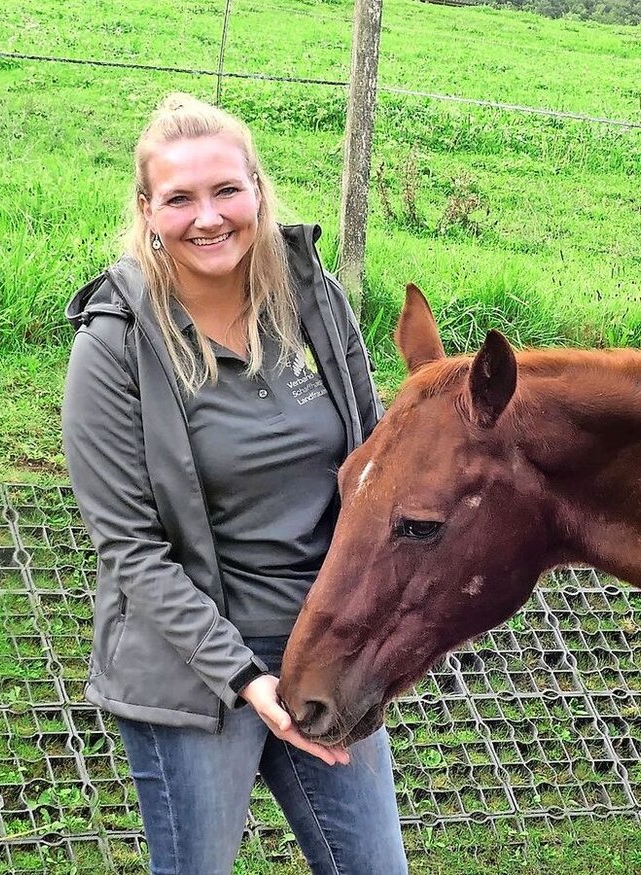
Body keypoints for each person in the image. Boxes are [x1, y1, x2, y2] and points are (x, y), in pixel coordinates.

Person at [61, 92, 407, 875]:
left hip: (322, 648)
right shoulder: (114, 343)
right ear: (148, 211)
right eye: (180, 197)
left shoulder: (313, 302)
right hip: (190, 673)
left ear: (257, 190)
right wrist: (246, 676)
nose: (207, 216)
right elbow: (131, 548)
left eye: (226, 190)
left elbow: (375, 464)